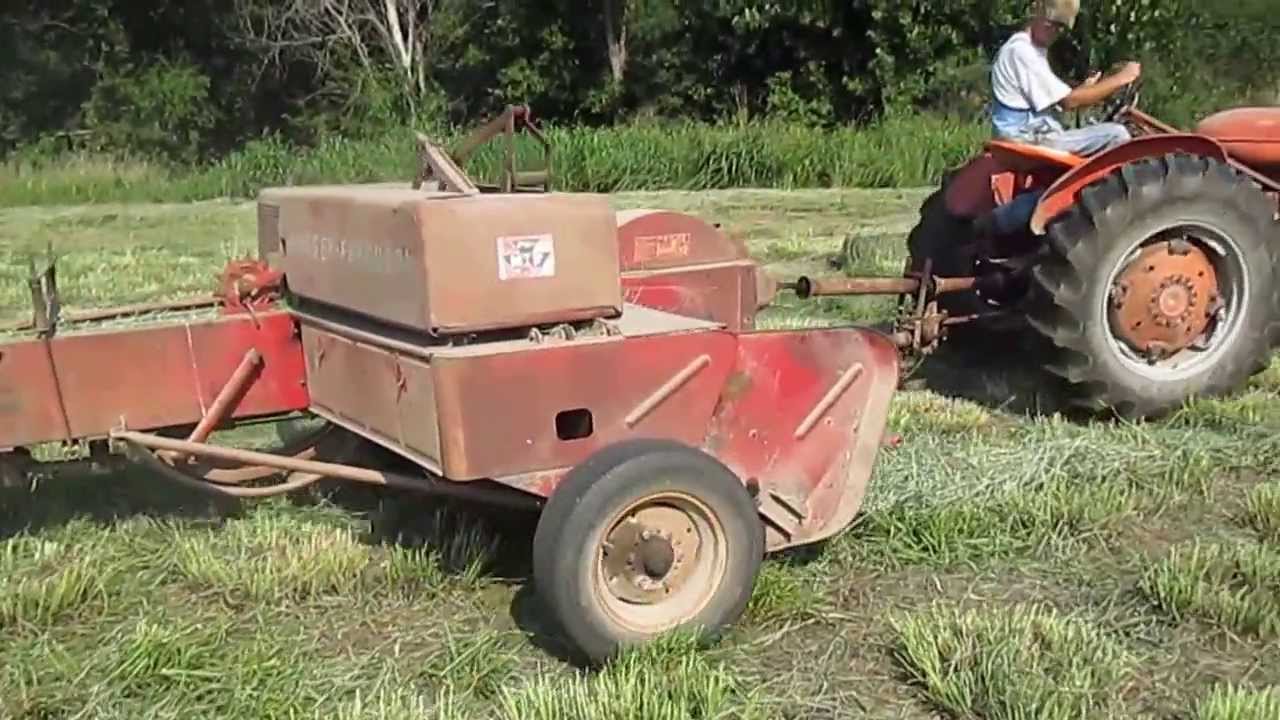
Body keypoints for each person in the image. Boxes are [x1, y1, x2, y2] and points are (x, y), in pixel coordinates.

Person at [979, 0, 1143, 238]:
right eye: (1051, 24)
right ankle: (1097, 220)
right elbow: (1069, 101)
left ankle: (1074, 209)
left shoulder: (1031, 51)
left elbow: (1058, 100)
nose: (1054, 32)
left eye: (1060, 27)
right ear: (1037, 14)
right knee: (1117, 135)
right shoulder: (1021, 51)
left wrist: (1089, 88)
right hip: (1026, 136)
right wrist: (1121, 79)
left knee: (1100, 134)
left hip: (1031, 132)